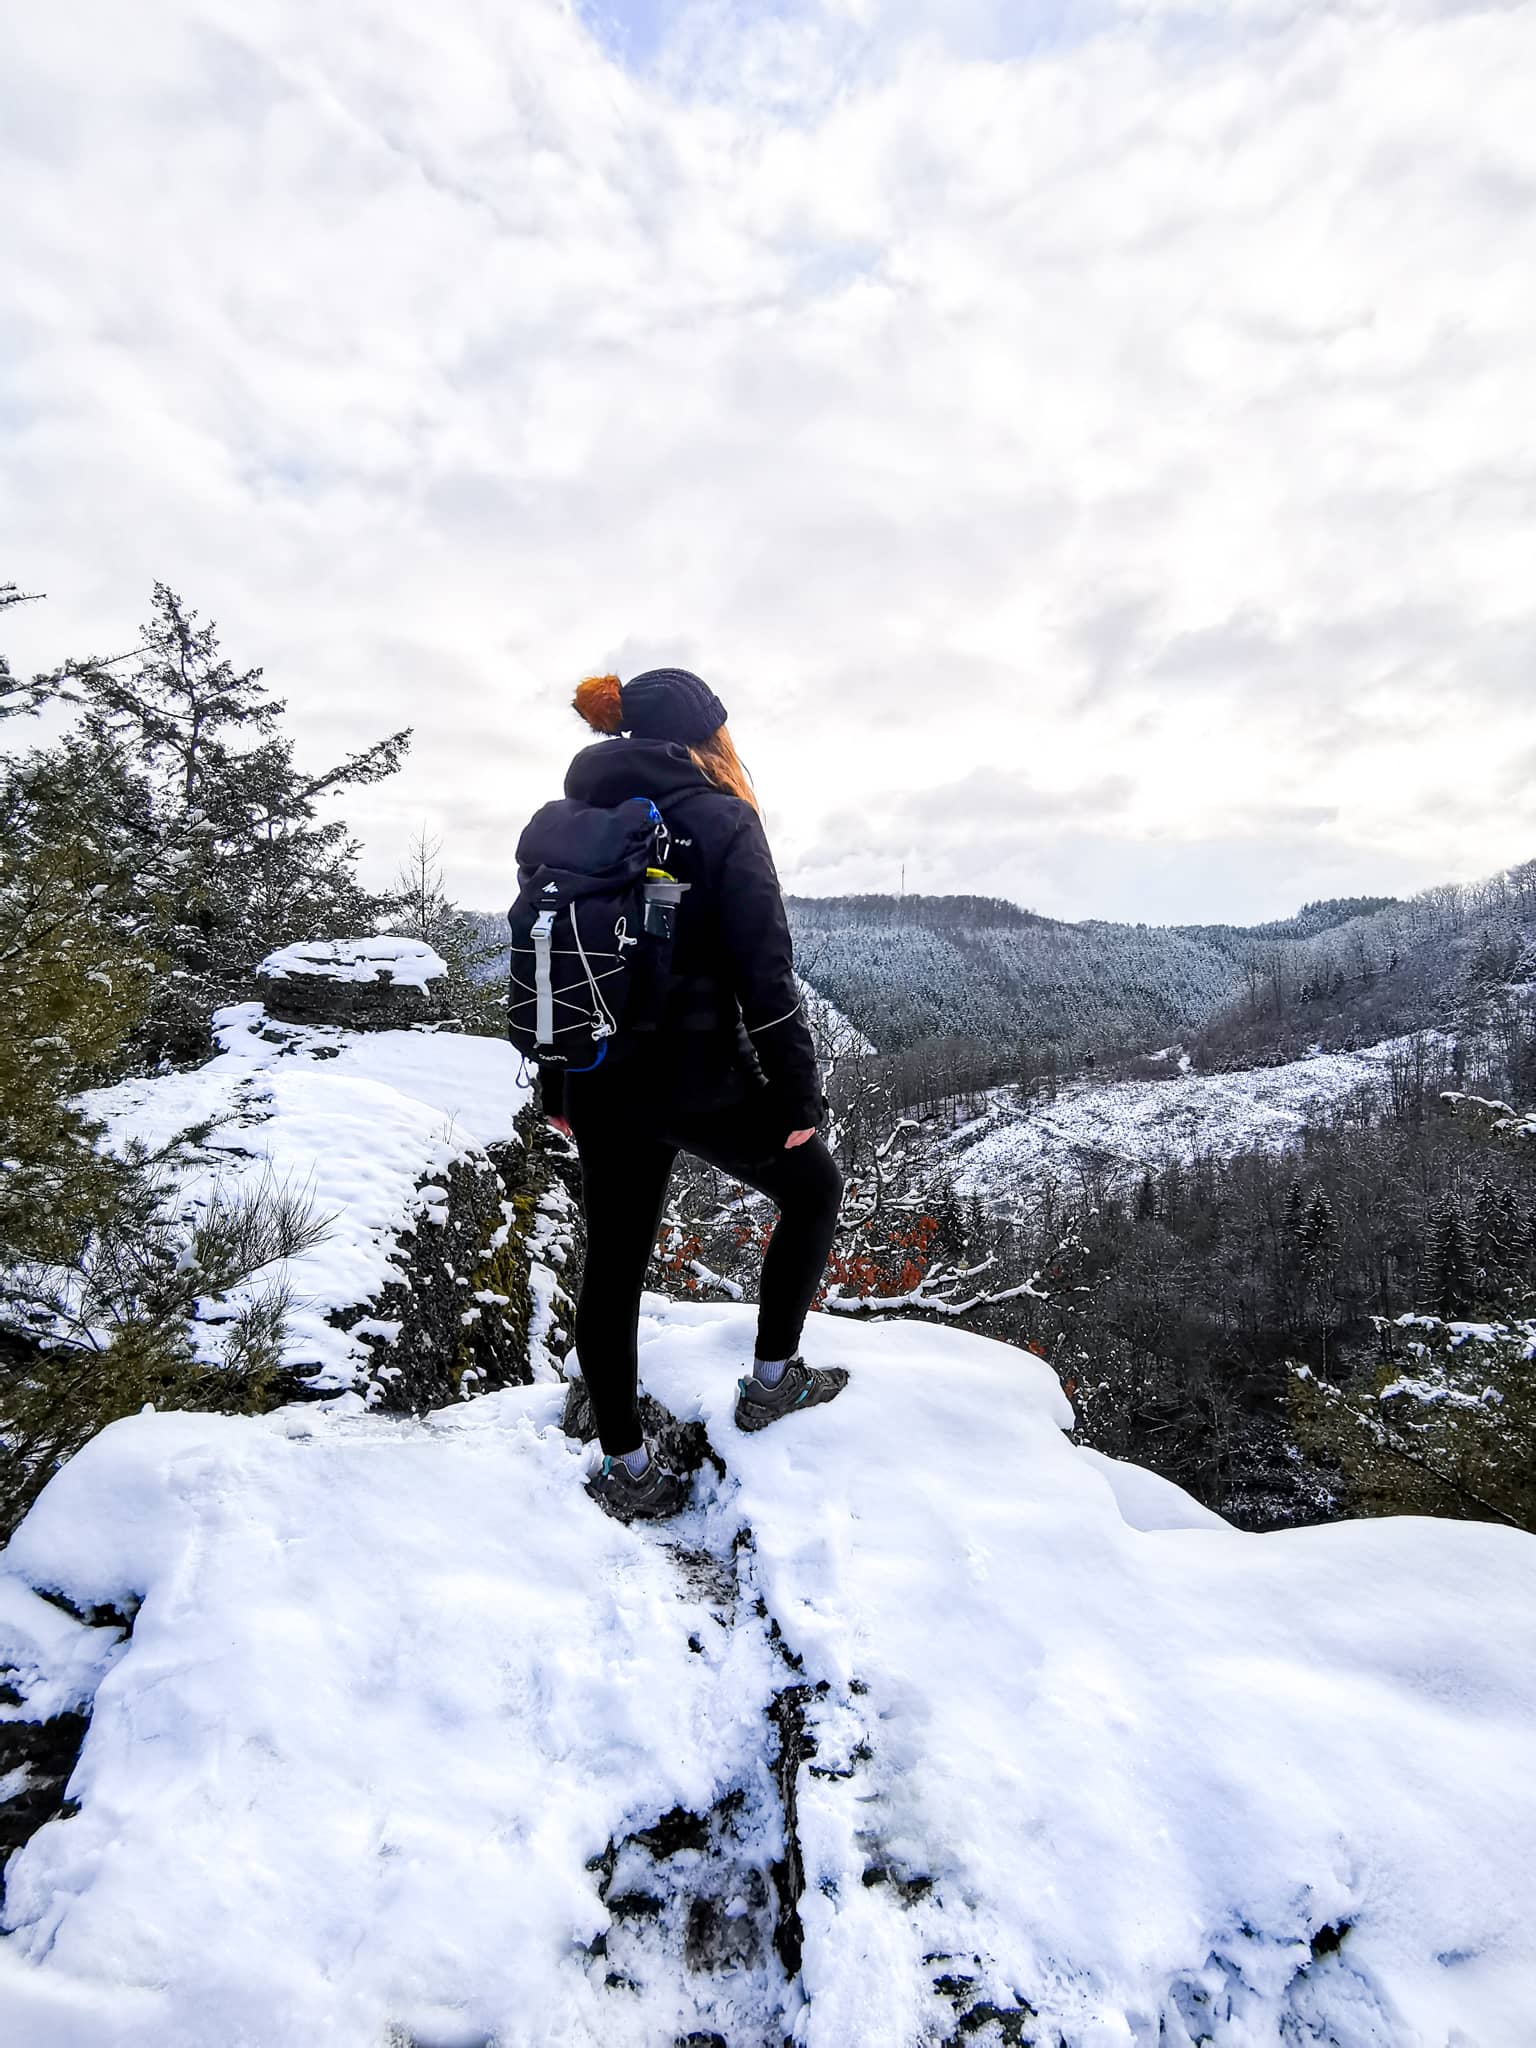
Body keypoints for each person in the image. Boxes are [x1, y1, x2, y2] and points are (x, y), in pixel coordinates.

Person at [542, 666, 847, 1521]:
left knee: (614, 1262)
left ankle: (625, 1469)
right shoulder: (720, 818)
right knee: (814, 1188)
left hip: (599, 1076)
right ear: (703, 737)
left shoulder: (578, 821)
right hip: (697, 1077)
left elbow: (551, 957)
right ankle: (772, 1383)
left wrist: (556, 1078)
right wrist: (797, 1095)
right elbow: (766, 971)